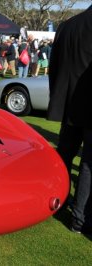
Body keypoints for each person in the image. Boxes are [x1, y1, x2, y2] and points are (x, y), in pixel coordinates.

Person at [47, 5, 92, 234]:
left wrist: (57, 97)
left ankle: (58, 201)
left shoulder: (68, 26)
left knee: (65, 154)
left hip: (69, 104)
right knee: (88, 165)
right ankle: (79, 217)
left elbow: (53, 67)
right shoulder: (68, 25)